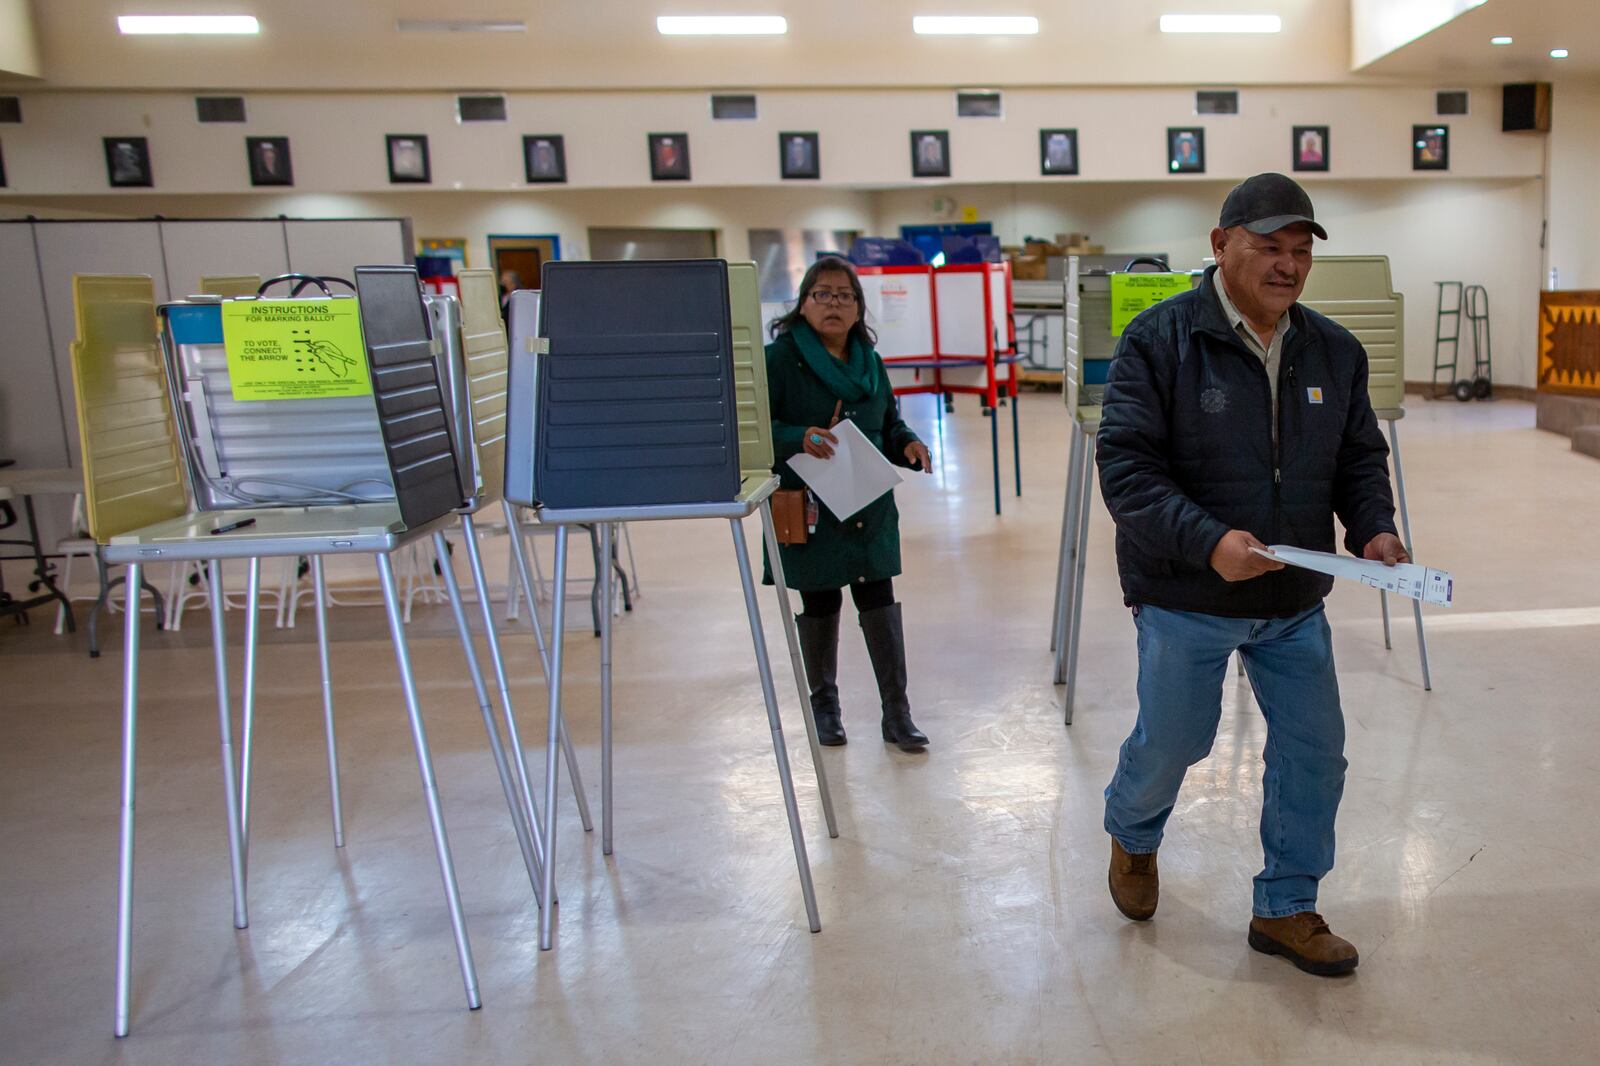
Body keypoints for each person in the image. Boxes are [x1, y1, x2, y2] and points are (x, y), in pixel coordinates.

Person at [1095, 173, 1407, 976]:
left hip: (1293, 598)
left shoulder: (1334, 350)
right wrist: (1208, 544)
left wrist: (1372, 526)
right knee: (1174, 740)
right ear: (1221, 245)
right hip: (1186, 592)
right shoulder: (1159, 341)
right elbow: (1128, 472)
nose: (1288, 266)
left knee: (1314, 749)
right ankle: (1133, 837)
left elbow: (1358, 458)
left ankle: (1286, 907)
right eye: (1269, 247)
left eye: (1300, 251)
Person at [765, 256, 934, 753]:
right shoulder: (779, 360)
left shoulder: (869, 361)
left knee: (877, 594)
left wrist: (907, 442)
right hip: (810, 502)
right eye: (822, 294)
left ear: (859, 308)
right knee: (820, 598)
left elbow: (888, 423)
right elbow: (753, 432)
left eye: (844, 296)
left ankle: (897, 715)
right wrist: (798, 436)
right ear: (803, 303)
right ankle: (826, 709)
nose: (833, 304)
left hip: (867, 499)